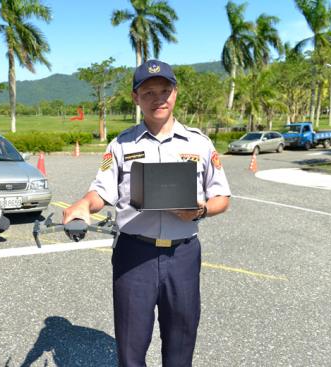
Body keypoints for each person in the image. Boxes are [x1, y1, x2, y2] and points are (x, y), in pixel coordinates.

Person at [62, 59, 231, 367]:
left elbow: (221, 197)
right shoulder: (121, 145)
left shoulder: (200, 143)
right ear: (135, 98)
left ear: (176, 93)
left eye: (165, 90)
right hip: (133, 255)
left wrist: (201, 209)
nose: (158, 98)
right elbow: (101, 191)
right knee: (130, 349)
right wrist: (83, 205)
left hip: (182, 256)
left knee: (181, 345)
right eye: (149, 92)